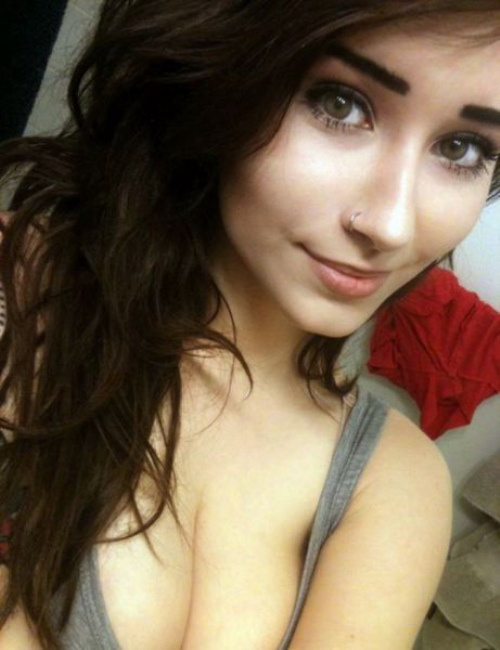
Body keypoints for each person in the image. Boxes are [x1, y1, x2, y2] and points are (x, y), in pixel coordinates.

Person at [0, 1, 499, 648]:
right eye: (341, 104)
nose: (391, 224)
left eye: (462, 148)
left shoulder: (396, 483)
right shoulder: (20, 302)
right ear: (224, 74)